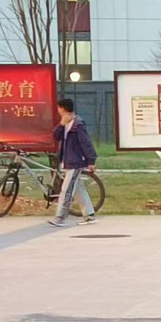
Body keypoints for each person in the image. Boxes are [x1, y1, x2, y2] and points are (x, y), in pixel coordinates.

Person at [49, 97, 97, 226]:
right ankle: (90, 215)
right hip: (68, 160)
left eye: (59, 108)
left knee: (66, 190)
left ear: (62, 109)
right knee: (78, 189)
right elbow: (56, 136)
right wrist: (61, 124)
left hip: (75, 162)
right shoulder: (65, 123)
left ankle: (60, 217)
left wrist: (91, 160)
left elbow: (86, 143)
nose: (58, 110)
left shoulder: (78, 124)